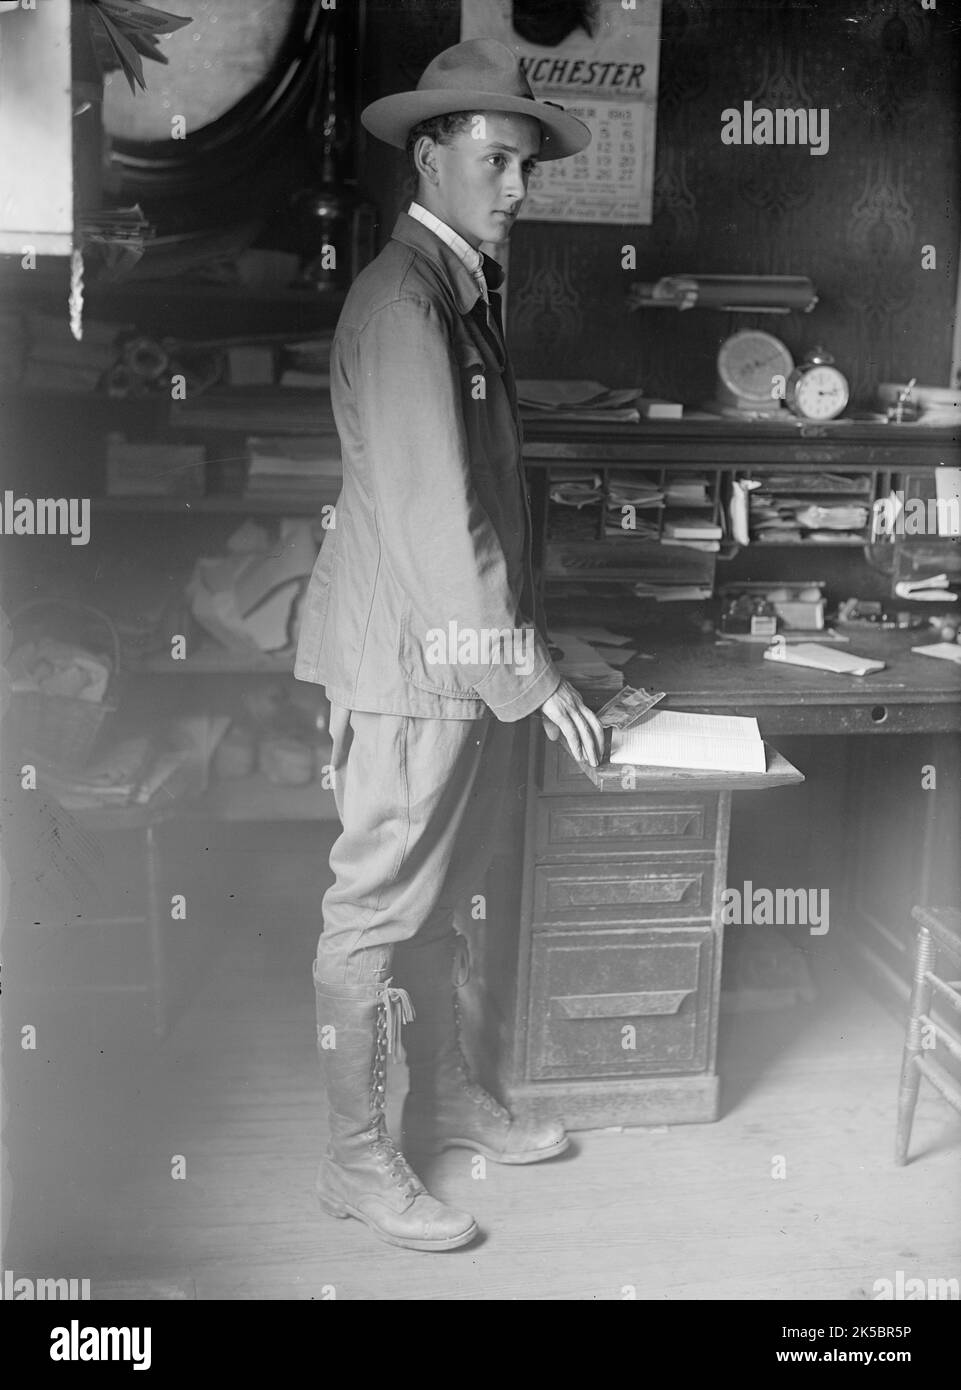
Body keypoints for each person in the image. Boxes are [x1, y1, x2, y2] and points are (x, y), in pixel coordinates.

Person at [294, 36, 604, 1252]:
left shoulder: (450, 288)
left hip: (447, 662)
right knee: (375, 917)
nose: (518, 187)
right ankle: (355, 1162)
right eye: (495, 161)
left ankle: (448, 1101)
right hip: (411, 669)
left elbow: (475, 510)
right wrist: (531, 675)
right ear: (430, 156)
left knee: (435, 901)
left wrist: (524, 656)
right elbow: (435, 523)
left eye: (526, 166)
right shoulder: (406, 302)